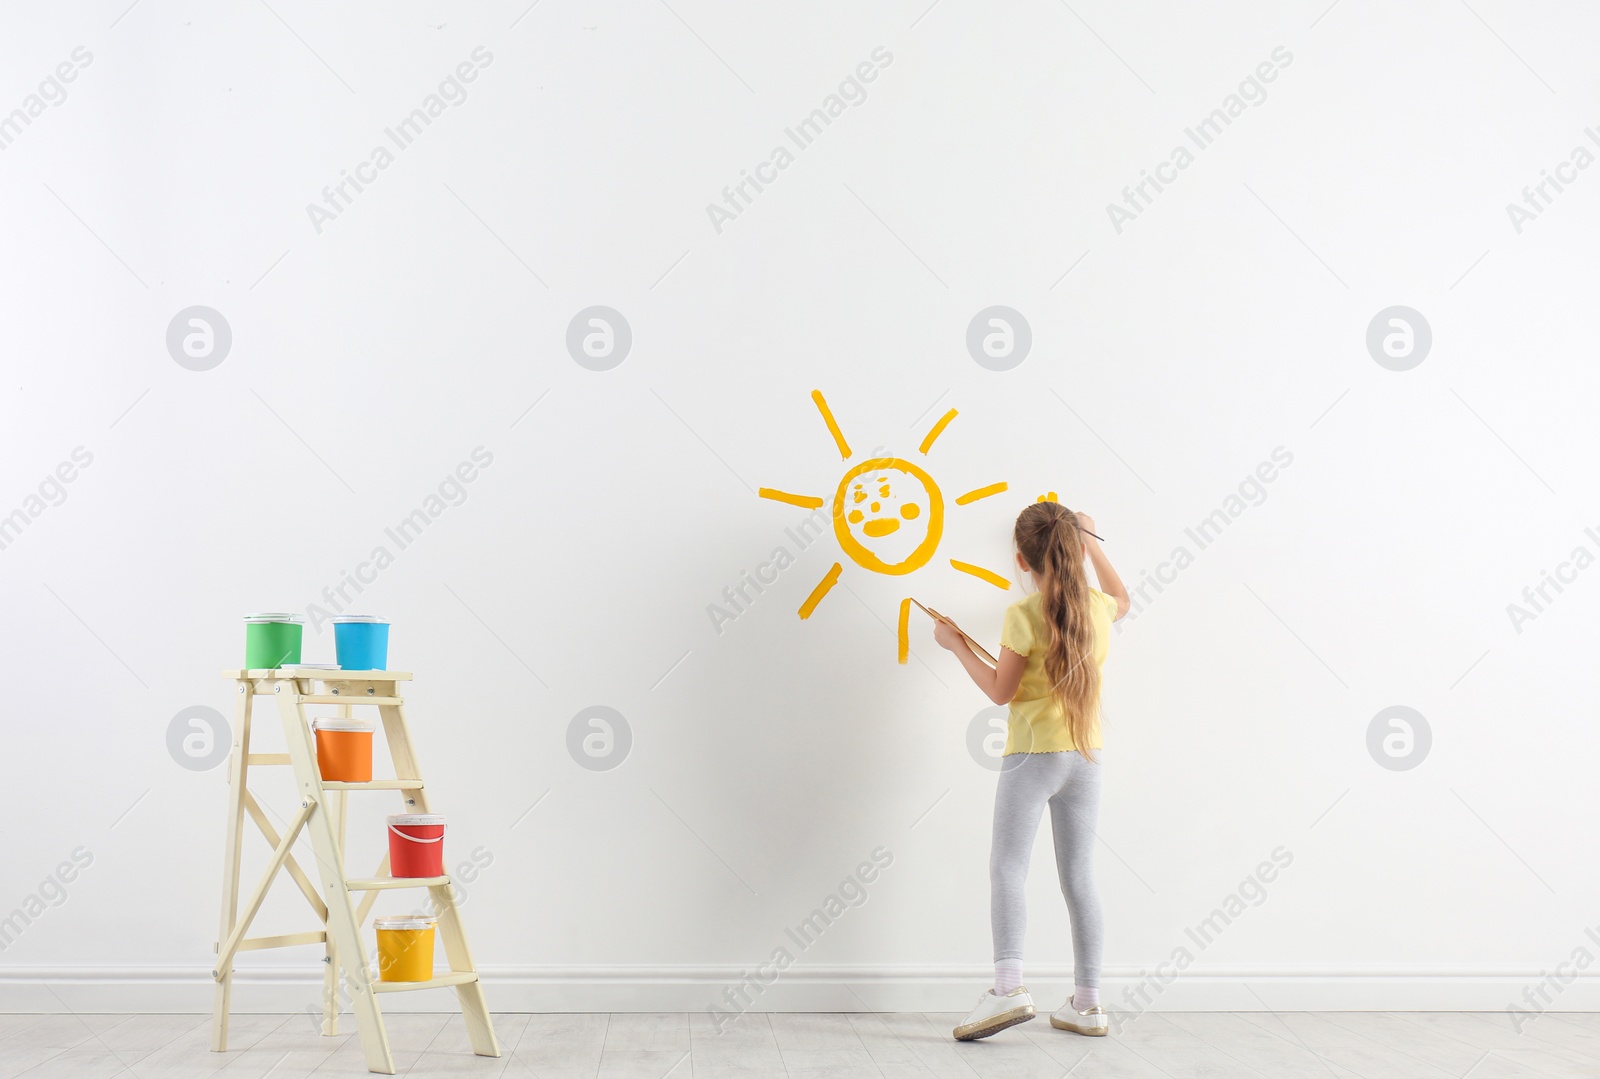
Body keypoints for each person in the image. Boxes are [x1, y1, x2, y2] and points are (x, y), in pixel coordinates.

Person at [932, 501, 1129, 1041]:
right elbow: (1124, 599)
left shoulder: (1022, 615)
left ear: (1021, 559)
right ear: (1073, 548)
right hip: (1085, 758)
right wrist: (1090, 539)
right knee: (1080, 878)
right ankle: (1087, 1004)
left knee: (1007, 869)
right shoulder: (1097, 607)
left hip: (1030, 758)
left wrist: (954, 646)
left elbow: (1002, 691)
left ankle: (1008, 989)